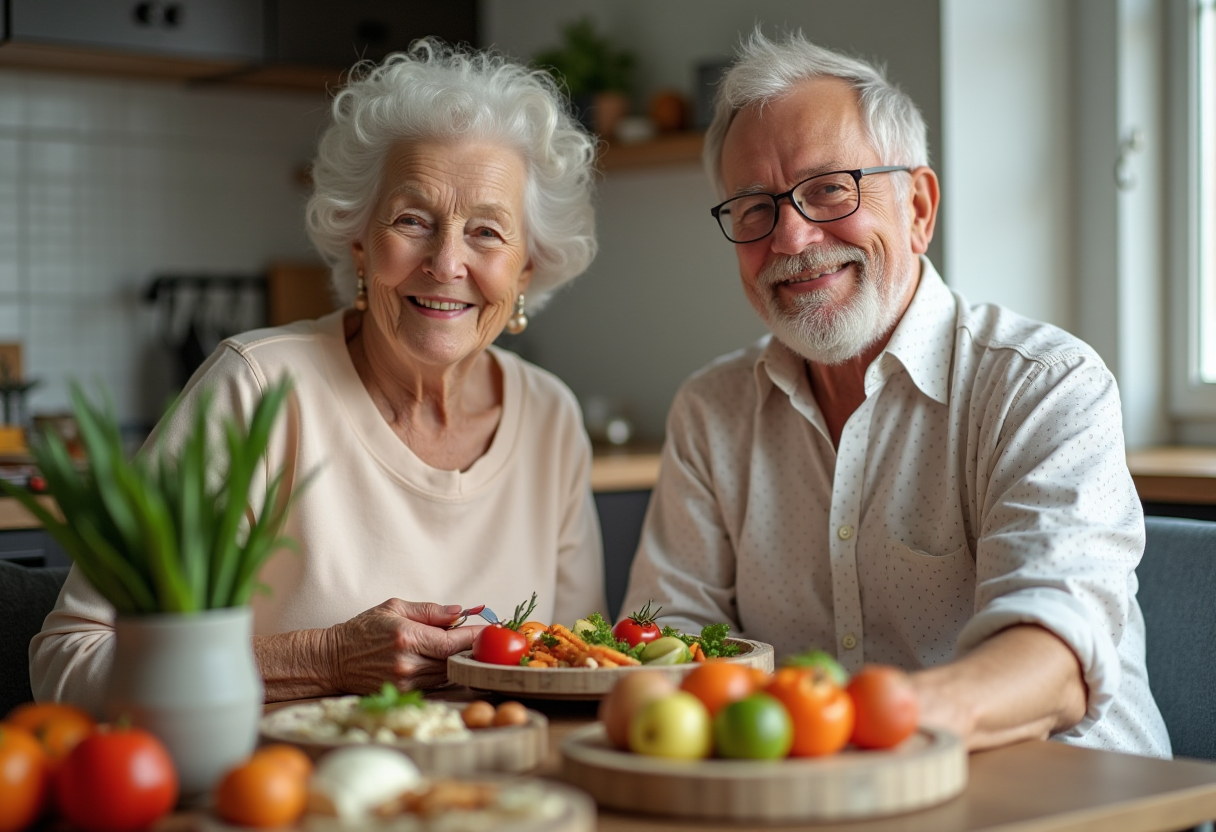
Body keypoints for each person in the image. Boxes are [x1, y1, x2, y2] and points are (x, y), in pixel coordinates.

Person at [619, 30, 1169, 756]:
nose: (791, 238)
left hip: (1073, 796)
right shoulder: (711, 412)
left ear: (918, 208)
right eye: (754, 208)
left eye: (828, 189)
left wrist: (844, 728)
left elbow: (1053, 662)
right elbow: (667, 642)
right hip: (818, 794)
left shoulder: (1043, 385)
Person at [32, 40, 608, 712]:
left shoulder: (549, 416)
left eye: (486, 232)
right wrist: (326, 660)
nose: (446, 262)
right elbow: (70, 660)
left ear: (525, 271)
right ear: (360, 244)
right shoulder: (256, 389)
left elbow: (582, 671)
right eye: (413, 220)